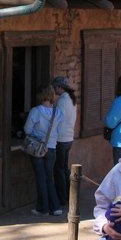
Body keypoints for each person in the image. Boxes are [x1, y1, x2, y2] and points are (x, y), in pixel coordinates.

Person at [23, 85, 63, 217]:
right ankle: (55, 207)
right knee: (49, 177)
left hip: (38, 148)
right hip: (52, 148)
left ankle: (43, 208)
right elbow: (60, 131)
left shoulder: (36, 111)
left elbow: (27, 129)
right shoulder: (58, 112)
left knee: (40, 178)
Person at [52, 76, 77, 206]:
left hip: (61, 139)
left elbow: (57, 120)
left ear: (60, 88)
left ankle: (62, 197)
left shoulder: (62, 101)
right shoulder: (71, 99)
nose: (54, 90)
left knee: (59, 169)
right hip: (69, 138)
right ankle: (68, 195)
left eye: (55, 87)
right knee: (64, 168)